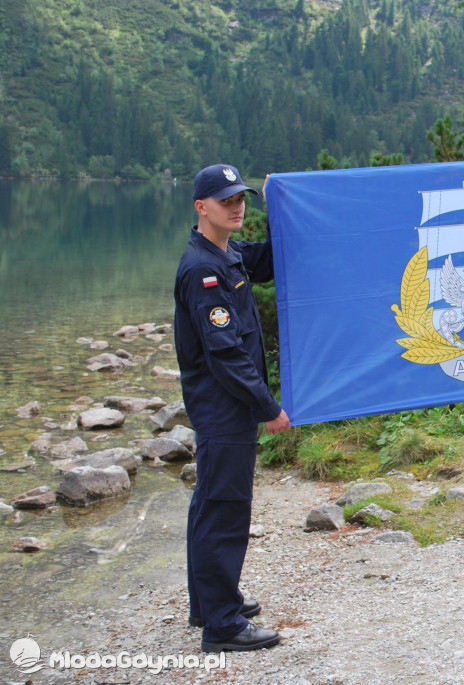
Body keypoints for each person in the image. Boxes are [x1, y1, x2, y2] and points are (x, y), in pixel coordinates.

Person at [174, 163, 292, 652]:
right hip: (224, 409)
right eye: (226, 201)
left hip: (225, 407)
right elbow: (225, 354)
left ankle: (209, 603)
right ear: (202, 208)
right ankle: (222, 628)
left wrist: (284, 203)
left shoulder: (227, 254)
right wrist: (268, 409)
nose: (237, 206)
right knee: (225, 510)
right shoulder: (204, 269)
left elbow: (272, 259)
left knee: (209, 503)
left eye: (241, 198)